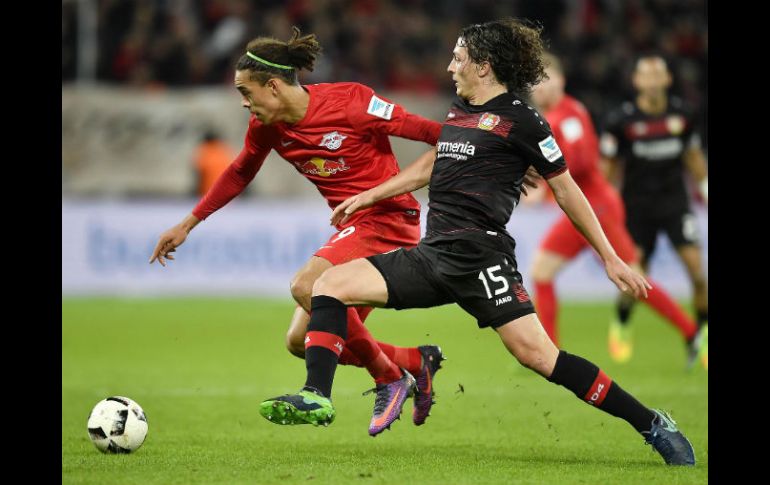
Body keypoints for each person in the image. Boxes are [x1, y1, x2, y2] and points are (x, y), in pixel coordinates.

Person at [259, 19, 696, 466]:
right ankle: (316, 395)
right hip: (432, 256)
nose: (450, 66)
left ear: (484, 66)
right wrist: (370, 195)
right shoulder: (460, 111)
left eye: (458, 58)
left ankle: (652, 423)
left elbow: (567, 190)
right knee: (327, 286)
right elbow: (435, 161)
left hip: (482, 261)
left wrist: (611, 258)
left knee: (540, 357)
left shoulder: (524, 121)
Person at [149, 27, 450, 437]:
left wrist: (496, 159)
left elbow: (430, 133)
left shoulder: (352, 102)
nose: (243, 103)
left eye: (247, 91)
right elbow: (240, 172)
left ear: (273, 85)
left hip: (388, 220)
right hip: (353, 226)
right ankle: (415, 362)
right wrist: (187, 223)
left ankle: (386, 377)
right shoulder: (267, 126)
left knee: (307, 283)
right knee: (299, 340)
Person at [528, 53, 705, 368]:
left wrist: (543, 175)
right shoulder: (557, 115)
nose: (539, 87)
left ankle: (691, 332)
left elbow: (580, 160)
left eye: (545, 79)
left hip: (595, 207)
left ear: (561, 81)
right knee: (542, 271)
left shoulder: (565, 117)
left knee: (632, 277)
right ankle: (550, 352)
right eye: (535, 82)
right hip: (582, 208)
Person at [600, 54, 708, 370]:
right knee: (635, 281)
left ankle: (699, 338)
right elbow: (609, 168)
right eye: (645, 75)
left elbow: (692, 157)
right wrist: (603, 205)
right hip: (636, 209)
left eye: (657, 74)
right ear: (636, 82)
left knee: (698, 274)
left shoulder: (683, 115)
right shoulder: (621, 121)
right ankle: (621, 321)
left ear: (667, 80)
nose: (651, 81)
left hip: (675, 204)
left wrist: (705, 188)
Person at [194, 129, 234, 197]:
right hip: (228, 196)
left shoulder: (204, 150)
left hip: (208, 196)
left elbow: (198, 174)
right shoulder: (225, 150)